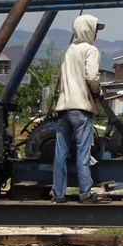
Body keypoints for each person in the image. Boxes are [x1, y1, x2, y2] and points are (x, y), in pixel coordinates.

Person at [52, 14, 111, 204]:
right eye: (95, 29)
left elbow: (60, 80)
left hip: (63, 108)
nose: (96, 34)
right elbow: (92, 76)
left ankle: (58, 195)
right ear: (88, 29)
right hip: (80, 109)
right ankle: (85, 193)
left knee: (60, 154)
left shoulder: (65, 52)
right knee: (82, 152)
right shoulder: (90, 50)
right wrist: (97, 90)